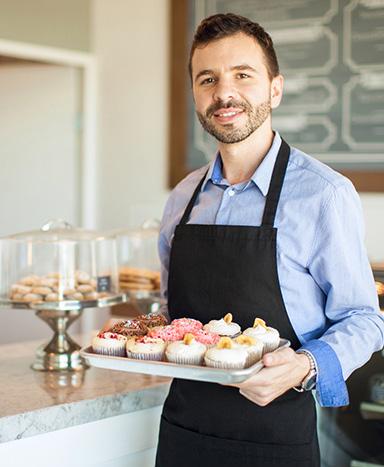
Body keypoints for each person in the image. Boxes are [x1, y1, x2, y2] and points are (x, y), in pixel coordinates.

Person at [155, 13, 384, 467]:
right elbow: (170, 314)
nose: (224, 93)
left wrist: (304, 365)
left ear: (274, 89)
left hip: (275, 437)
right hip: (183, 432)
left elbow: (365, 319)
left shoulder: (324, 194)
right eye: (208, 79)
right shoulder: (182, 198)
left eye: (243, 75)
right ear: (196, 96)